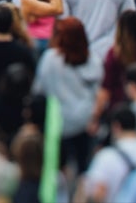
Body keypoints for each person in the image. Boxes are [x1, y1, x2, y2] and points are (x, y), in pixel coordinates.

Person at [34, 17, 103, 175]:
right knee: (84, 168)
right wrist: (94, 118)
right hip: (86, 123)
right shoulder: (94, 60)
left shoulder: (50, 59)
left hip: (58, 124)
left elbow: (39, 90)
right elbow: (99, 94)